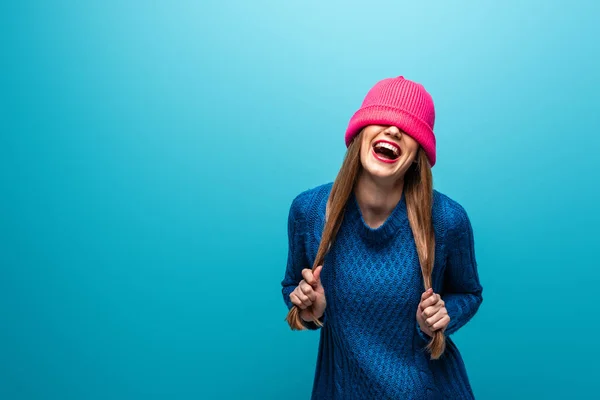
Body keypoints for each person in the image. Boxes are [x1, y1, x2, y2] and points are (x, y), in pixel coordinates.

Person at [280, 76, 484, 399]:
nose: (393, 130)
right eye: (383, 119)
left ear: (418, 152)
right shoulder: (309, 212)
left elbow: (469, 293)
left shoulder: (447, 220)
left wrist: (438, 318)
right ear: (361, 133)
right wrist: (312, 310)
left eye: (408, 127)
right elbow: (292, 286)